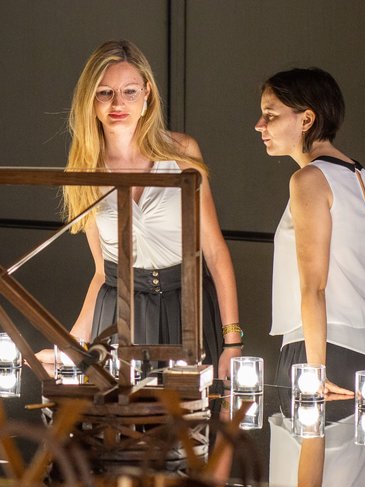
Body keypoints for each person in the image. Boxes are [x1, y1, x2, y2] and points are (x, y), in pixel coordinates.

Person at [61, 40, 243, 379]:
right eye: (105, 93)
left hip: (186, 307)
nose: (118, 103)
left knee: (188, 425)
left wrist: (233, 342)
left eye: (129, 91)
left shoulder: (181, 152)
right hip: (117, 315)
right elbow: (102, 273)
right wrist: (72, 343)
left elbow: (215, 252)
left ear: (147, 93)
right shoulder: (85, 169)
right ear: (91, 101)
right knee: (119, 425)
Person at [255, 68, 365, 395]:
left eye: (270, 115)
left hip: (320, 352)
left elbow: (313, 288)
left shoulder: (309, 180)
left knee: (303, 442)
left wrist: (315, 370)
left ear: (306, 120)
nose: (259, 125)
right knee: (360, 445)